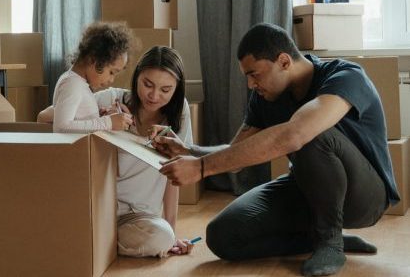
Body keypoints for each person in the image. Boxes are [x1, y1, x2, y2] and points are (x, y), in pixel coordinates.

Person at [155, 23, 399, 276]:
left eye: (255, 74)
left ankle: (330, 241)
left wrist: (201, 168)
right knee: (223, 236)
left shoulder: (346, 76)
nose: (250, 84)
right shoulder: (265, 97)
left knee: (309, 133)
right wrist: (189, 152)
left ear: (283, 61)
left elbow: (296, 135)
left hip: (365, 197)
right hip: (307, 189)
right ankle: (317, 238)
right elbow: (236, 153)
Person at [40, 45, 196, 257]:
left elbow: (174, 176)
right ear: (136, 77)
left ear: (176, 89)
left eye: (165, 90)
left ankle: (91, 241)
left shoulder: (180, 114)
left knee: (162, 238)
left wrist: (172, 232)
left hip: (139, 217)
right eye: (147, 84)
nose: (154, 95)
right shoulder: (110, 99)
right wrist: (101, 121)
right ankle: (93, 239)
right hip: (98, 208)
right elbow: (44, 117)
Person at [51, 21, 134, 133]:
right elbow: (61, 127)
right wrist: (108, 122)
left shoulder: (79, 83)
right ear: (93, 59)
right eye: (111, 72)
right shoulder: (72, 84)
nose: (111, 80)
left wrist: (97, 117)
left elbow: (78, 121)